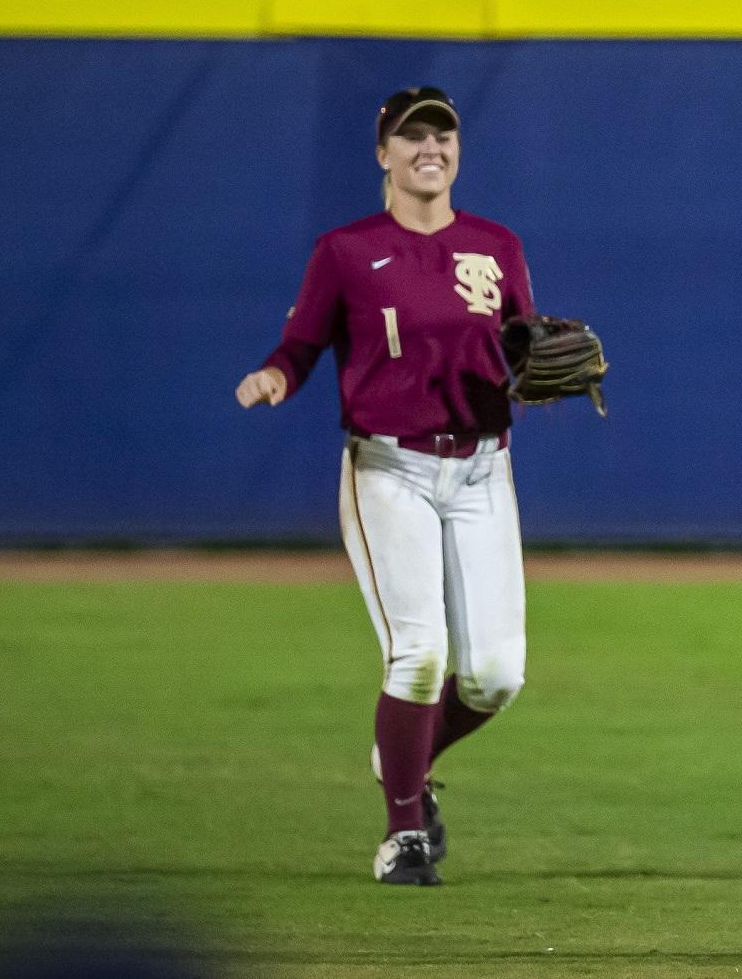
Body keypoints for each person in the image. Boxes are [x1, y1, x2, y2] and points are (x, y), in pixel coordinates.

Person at [234, 87, 535, 887]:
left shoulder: (496, 246)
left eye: (441, 134)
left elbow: (525, 350)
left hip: (481, 467)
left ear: (457, 150)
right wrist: (274, 375)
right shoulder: (346, 249)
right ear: (383, 154)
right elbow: (301, 345)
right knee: (420, 654)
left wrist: (545, 364)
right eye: (411, 137)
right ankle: (404, 831)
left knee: (498, 675)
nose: (428, 147)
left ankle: (399, 755)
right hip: (388, 467)